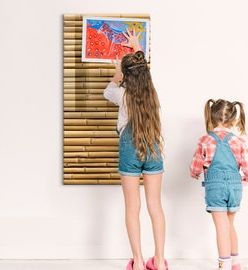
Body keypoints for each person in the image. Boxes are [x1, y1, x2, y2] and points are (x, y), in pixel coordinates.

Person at [103, 30, 168, 270]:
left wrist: (117, 71)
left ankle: (139, 262)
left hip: (129, 147)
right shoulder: (152, 95)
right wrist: (137, 47)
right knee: (155, 206)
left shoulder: (122, 95)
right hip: (151, 146)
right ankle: (159, 262)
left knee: (133, 207)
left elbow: (107, 90)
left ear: (126, 77)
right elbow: (143, 69)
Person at [190, 99, 248, 270]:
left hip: (216, 187)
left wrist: (195, 173)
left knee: (221, 228)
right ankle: (236, 264)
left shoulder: (205, 140)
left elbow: (195, 166)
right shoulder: (239, 141)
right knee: (229, 225)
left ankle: (223, 266)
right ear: (233, 121)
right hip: (235, 187)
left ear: (211, 119)